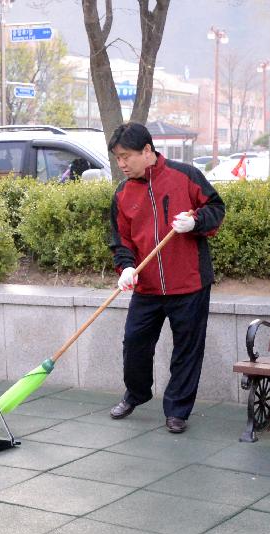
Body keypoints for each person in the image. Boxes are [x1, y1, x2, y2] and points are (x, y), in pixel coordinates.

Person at [107, 122, 226, 434]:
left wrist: (196, 221)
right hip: (146, 286)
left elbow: (216, 208)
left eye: (126, 156)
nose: (121, 164)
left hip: (189, 283)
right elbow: (121, 241)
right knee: (134, 343)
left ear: (147, 151)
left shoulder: (186, 175)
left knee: (187, 349)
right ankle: (137, 393)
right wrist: (126, 269)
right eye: (117, 158)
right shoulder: (122, 194)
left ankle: (177, 411)